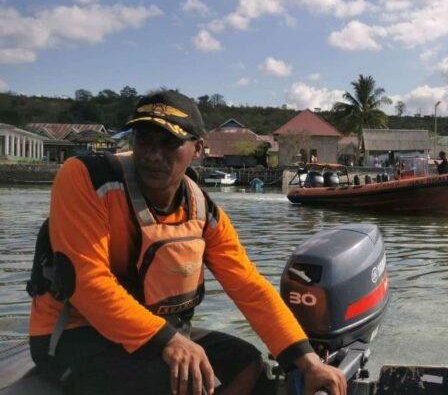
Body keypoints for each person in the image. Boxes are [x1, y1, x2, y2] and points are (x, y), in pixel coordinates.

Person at [27, 90, 347, 395]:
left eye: (170, 143)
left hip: (157, 338)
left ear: (197, 149)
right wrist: (170, 341)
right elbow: (87, 283)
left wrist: (307, 360)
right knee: (181, 385)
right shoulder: (86, 178)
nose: (154, 154)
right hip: (76, 337)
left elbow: (249, 287)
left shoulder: (202, 210)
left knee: (247, 364)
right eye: (144, 140)